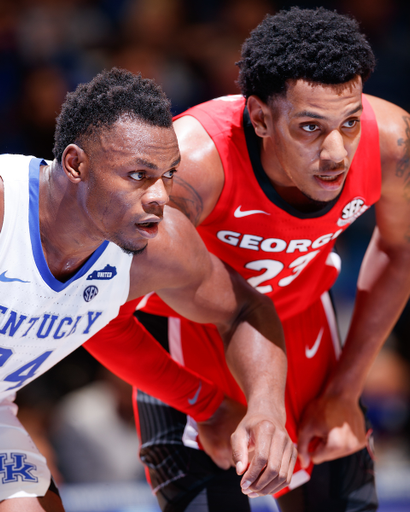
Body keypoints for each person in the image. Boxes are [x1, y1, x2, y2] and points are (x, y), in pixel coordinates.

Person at [87, 7, 410, 512]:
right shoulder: (184, 170)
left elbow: (401, 248)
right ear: (260, 117)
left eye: (349, 123)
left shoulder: (391, 141)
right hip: (188, 333)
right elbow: (97, 314)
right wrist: (204, 405)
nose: (336, 153)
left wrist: (347, 388)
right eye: (309, 127)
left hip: (301, 321)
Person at [0, 67, 297, 511]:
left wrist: (263, 407)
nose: (159, 195)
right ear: (76, 164)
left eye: (168, 174)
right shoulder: (6, 209)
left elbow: (243, 309)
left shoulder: (158, 245)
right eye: (139, 175)